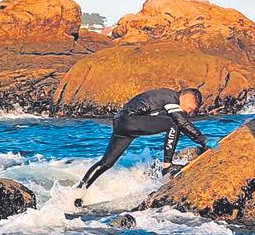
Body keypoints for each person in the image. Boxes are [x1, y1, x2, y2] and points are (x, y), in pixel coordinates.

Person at [74, 88, 209, 207]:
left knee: (106, 163)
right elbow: (181, 122)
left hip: (120, 123)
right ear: (187, 98)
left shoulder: (167, 102)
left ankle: (77, 193)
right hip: (130, 120)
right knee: (176, 122)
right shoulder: (171, 97)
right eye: (191, 108)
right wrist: (203, 140)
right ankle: (167, 167)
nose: (190, 113)